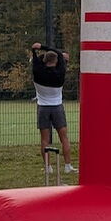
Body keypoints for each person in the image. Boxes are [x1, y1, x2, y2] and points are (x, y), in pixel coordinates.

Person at [29, 42, 76, 174]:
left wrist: (36, 49)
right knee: (64, 138)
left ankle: (48, 167)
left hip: (43, 108)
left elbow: (36, 59)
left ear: (44, 61)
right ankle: (67, 166)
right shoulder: (60, 72)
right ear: (56, 61)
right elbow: (60, 55)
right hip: (57, 107)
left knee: (44, 139)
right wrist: (45, 47)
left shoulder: (37, 71)